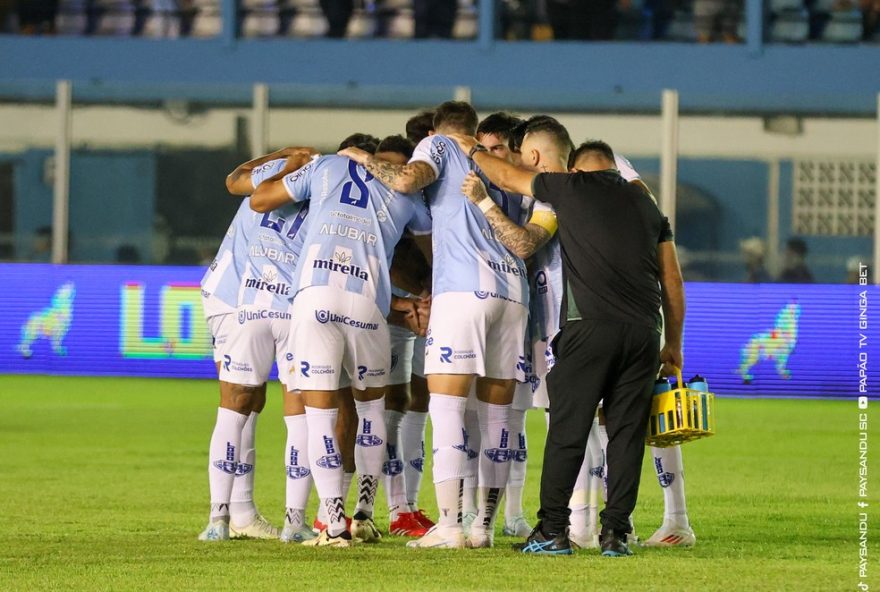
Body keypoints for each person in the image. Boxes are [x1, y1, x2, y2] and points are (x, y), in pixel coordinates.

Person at [447, 130, 685, 557]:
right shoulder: (649, 207)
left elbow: (504, 175)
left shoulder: (571, 188)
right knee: (627, 434)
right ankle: (616, 534)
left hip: (588, 327)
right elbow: (672, 279)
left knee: (568, 431)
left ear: (577, 168)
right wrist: (673, 343)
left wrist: (472, 149)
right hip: (644, 333)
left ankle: (553, 530)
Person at [339, 101, 532, 549]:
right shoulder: (502, 163)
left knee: (446, 410)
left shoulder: (439, 145)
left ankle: (449, 527)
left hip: (463, 291)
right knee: (497, 416)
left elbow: (407, 178)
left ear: (439, 130)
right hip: (513, 294)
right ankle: (482, 527)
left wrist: (364, 160)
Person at [251, 140, 432, 548]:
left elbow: (260, 200)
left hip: (314, 295)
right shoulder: (408, 194)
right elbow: (431, 248)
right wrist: (430, 296)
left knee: (320, 415)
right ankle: (365, 515)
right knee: (372, 411)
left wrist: (288, 165)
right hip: (367, 302)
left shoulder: (327, 166)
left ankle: (333, 524)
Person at [198, 145, 316, 542]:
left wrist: (283, 155)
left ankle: (237, 512)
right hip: (233, 296)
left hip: (254, 299)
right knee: (249, 401)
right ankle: (243, 513)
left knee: (249, 401)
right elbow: (235, 183)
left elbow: (234, 181)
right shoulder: (322, 180)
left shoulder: (289, 168)